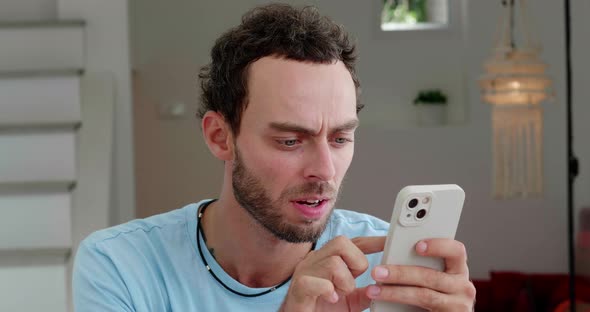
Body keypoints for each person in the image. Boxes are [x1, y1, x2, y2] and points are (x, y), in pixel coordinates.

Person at [73, 4, 475, 311]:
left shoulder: (386, 268)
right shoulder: (121, 266)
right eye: (290, 141)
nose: (324, 170)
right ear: (220, 137)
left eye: (339, 138)